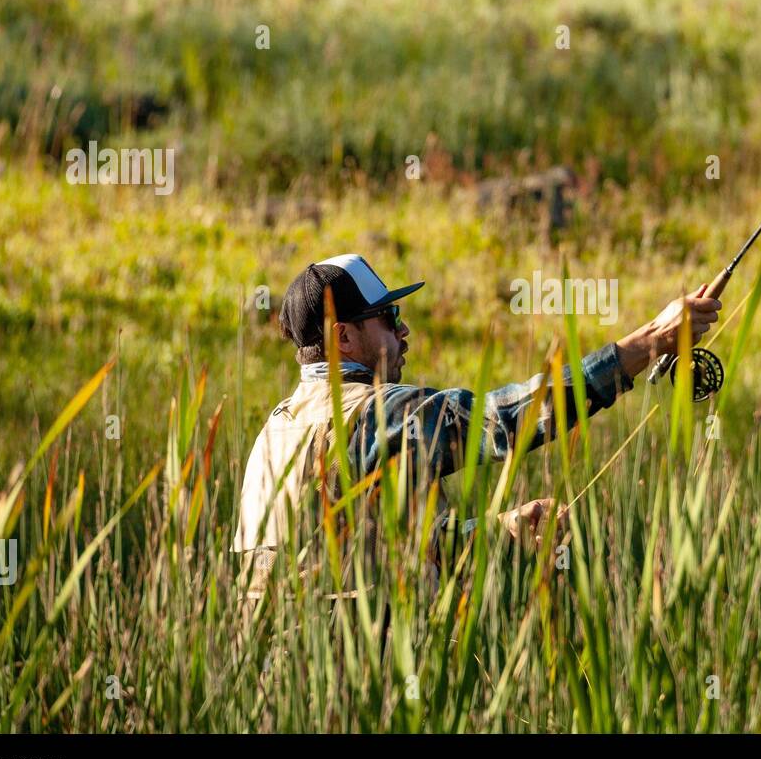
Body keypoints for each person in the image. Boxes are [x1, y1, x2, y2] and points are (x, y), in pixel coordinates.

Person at [233, 253, 722, 598]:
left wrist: (500, 528)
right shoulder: (377, 414)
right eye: (387, 317)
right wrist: (649, 342)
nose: (403, 330)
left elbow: (359, 556)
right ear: (343, 336)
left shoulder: (271, 434)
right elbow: (507, 420)